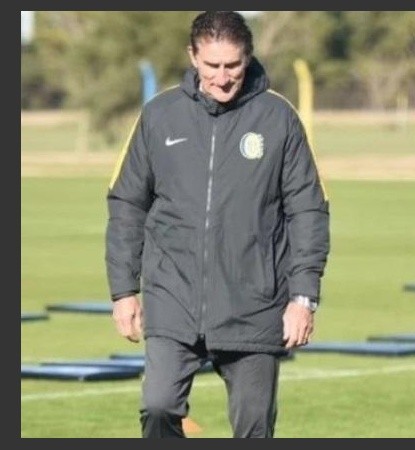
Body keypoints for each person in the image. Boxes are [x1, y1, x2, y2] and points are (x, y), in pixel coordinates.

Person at [105, 11, 330, 438]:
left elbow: (309, 211)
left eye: (233, 66)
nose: (223, 78)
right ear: (192, 56)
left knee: (253, 427)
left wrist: (303, 298)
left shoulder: (278, 119)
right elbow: (126, 204)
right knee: (158, 406)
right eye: (212, 66)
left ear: (248, 58)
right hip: (173, 297)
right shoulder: (159, 116)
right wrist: (123, 291)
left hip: (255, 302)